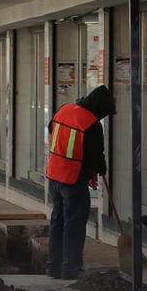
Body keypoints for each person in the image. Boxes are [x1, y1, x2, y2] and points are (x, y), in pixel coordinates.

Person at [45, 84, 116, 280]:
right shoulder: (91, 124)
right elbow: (95, 156)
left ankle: (53, 267)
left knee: (57, 222)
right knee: (73, 225)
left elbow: (51, 127)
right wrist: (101, 168)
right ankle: (70, 269)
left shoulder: (64, 109)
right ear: (99, 108)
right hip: (73, 180)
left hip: (54, 176)